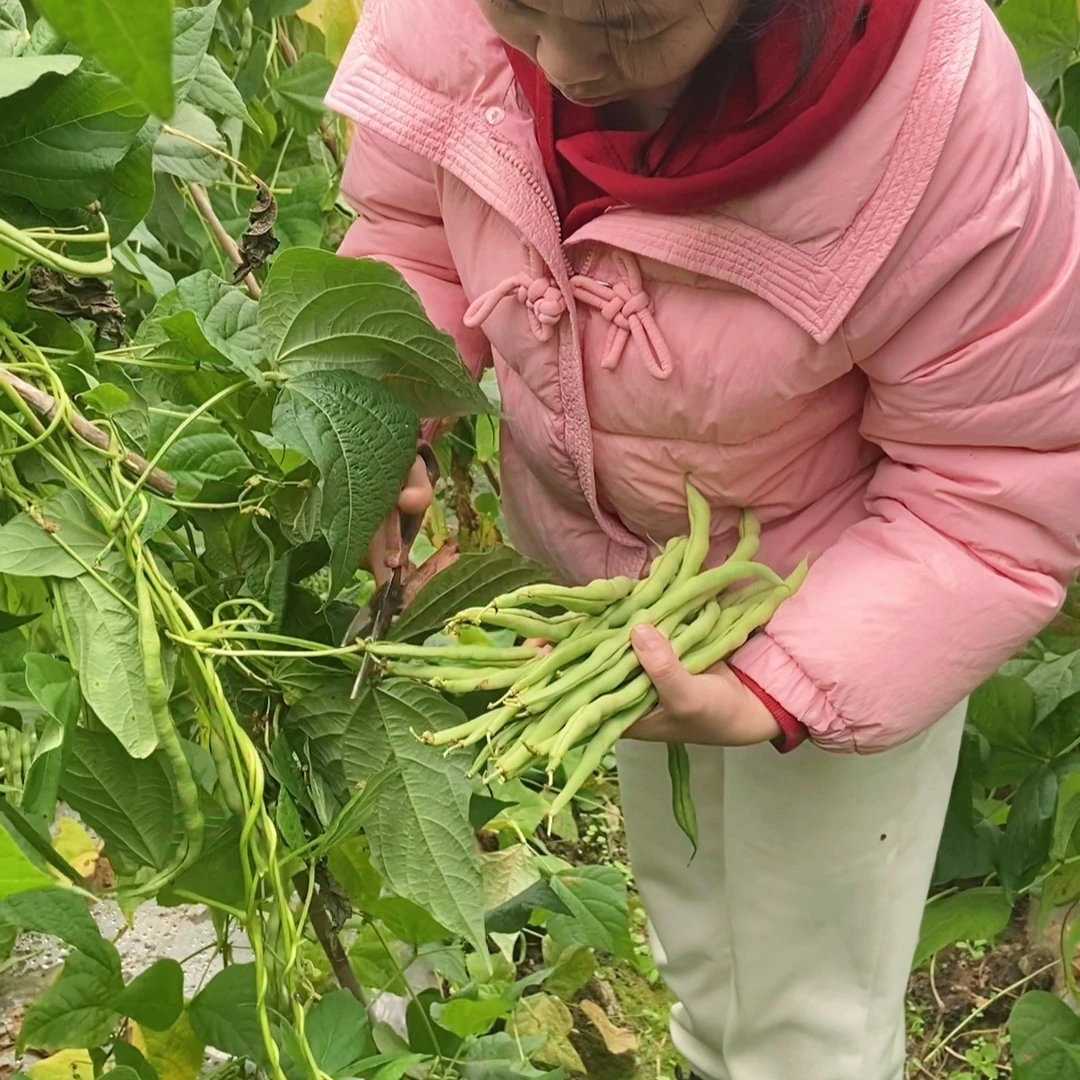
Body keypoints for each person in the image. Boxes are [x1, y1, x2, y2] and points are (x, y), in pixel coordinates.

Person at [326, 0, 1080, 1076]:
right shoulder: (456, 23)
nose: (560, 64)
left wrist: (783, 690)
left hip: (860, 608)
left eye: (625, 30)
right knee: (699, 939)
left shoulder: (938, 117)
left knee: (807, 1011)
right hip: (626, 609)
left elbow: (995, 482)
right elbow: (412, 233)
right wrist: (383, 411)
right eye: (518, 10)